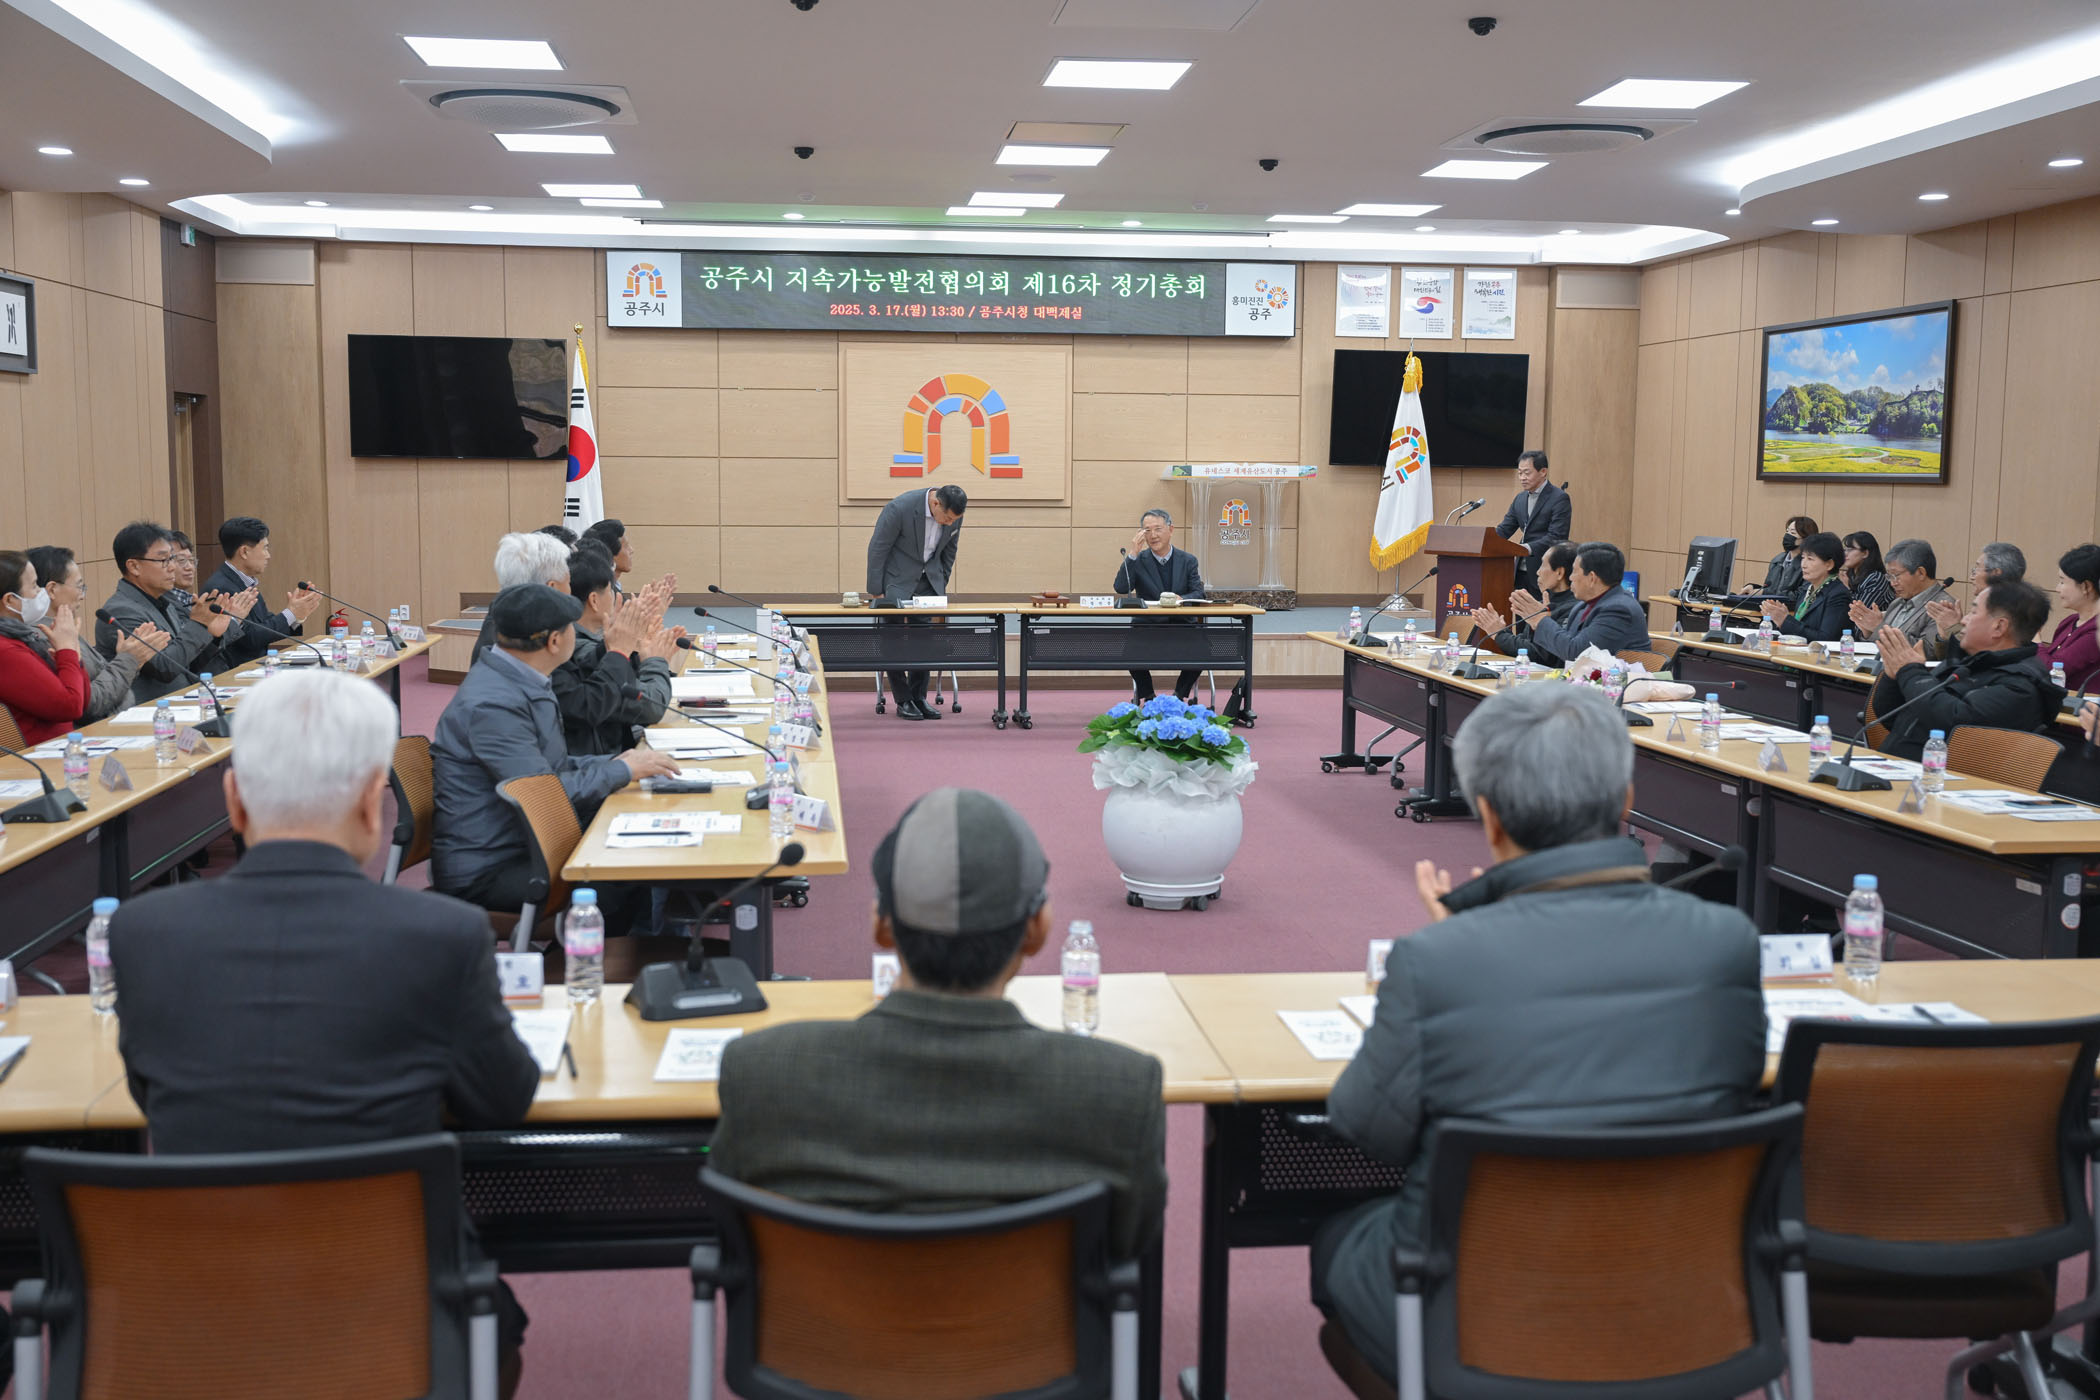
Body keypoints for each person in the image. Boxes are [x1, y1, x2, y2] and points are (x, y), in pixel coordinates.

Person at [1309, 682, 1764, 1384]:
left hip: (1485, 1318)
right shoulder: (1727, 942)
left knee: (1336, 1241)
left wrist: (1459, 953)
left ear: (1488, 818)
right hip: (1680, 1296)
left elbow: (1364, 1125)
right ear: (1626, 804)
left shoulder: (1437, 961)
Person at [106, 669, 540, 1398]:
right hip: (391, 1302)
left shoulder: (142, 932)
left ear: (234, 799)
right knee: (494, 1322)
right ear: (375, 803)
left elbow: (151, 1095)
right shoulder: (444, 933)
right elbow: (504, 1099)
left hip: (196, 1300)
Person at [710, 787, 1167, 1261]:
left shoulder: (763, 1077)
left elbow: (733, 1241)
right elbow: (1129, 1245)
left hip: (822, 1312)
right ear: (1039, 929)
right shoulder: (1117, 1093)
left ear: (881, 925)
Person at [431, 584, 678, 914]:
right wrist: (621, 770)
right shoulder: (491, 706)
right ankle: (621, 944)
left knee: (638, 836)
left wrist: (620, 761)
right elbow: (540, 794)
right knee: (623, 874)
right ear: (555, 642)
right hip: (492, 868)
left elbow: (550, 767)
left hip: (525, 839)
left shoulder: (519, 676)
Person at [1873, 580, 2062, 758]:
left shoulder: (2019, 686)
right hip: (1897, 763)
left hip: (1938, 776)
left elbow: (1954, 723)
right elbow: (1892, 716)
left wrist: (1910, 671)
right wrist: (1893, 677)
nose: (1963, 620)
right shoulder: (1968, 662)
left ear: (1999, 627)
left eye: (1973, 612)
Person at [95, 521, 249, 702]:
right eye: (163, 560)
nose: (172, 567)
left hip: (183, 703)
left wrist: (212, 636)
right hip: (150, 711)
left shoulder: (165, 601)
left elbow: (185, 664)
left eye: (172, 559)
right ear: (134, 566)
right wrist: (198, 624)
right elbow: (164, 668)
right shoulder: (121, 612)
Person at [556, 544, 679, 755]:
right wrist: (654, 661)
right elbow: (651, 705)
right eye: (611, 590)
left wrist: (636, 639)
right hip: (609, 760)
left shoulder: (593, 643)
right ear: (594, 600)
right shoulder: (580, 651)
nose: (615, 596)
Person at [24, 544, 162, 723]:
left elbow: (101, 686)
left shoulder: (61, 627)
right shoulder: (44, 637)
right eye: (79, 586)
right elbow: (89, 704)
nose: (82, 595)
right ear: (52, 590)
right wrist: (128, 660)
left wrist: (130, 659)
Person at [866, 484, 966, 721]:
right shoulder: (899, 508)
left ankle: (919, 697)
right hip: (896, 582)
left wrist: (940, 582)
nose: (950, 523)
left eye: (954, 520)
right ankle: (903, 700)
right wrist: (876, 590)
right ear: (935, 504)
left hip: (928, 584)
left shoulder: (954, 515)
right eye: (947, 518)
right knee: (893, 640)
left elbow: (949, 552)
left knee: (924, 640)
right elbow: (878, 547)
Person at [1112, 508, 1207, 702]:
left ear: (1171, 529)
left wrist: (1182, 599)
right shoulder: (1138, 560)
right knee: (1129, 650)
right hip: (1147, 627)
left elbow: (1199, 593)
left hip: (1182, 627)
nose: (1153, 535)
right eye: (1147, 530)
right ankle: (1149, 697)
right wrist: (1133, 553)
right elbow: (1121, 587)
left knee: (1203, 649)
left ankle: (1178, 697)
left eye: (1158, 529)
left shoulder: (1188, 560)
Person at [205, 515, 324, 666]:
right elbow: (250, 638)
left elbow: (265, 623)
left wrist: (297, 616)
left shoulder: (244, 581)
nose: (268, 556)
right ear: (244, 552)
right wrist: (291, 613)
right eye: (265, 548)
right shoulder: (223, 588)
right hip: (235, 671)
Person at [1505, 542, 1649, 660]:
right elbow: (1560, 651)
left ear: (1592, 578)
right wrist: (1538, 622)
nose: (1571, 577)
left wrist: (1540, 620)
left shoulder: (1619, 609)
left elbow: (1577, 653)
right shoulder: (1582, 606)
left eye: (1574, 571)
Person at [472, 531, 572, 663]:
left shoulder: (502, 624)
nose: (571, 590)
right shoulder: (533, 644)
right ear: (552, 588)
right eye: (568, 582)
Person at [1471, 540, 1577, 663]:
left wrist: (1499, 635)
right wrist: (1500, 631)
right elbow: (1526, 645)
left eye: (1543, 565)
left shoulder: (1574, 608)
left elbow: (1539, 655)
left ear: (1559, 573)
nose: (1538, 572)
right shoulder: (1544, 603)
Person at [1924, 540, 2027, 660]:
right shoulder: (1987, 603)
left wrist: (1954, 629)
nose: (1971, 577)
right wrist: (1944, 636)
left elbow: (1981, 660)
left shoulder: (2012, 611)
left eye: (1977, 569)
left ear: (1995, 573)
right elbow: (1950, 661)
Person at [1492, 450, 1571, 590]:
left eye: (1527, 473)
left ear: (1543, 472)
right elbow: (1504, 530)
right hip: (1519, 572)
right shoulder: (1520, 498)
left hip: (1544, 571)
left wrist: (1527, 548)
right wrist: (1485, 540)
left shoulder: (1559, 498)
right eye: (1520, 473)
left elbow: (1557, 536)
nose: (1522, 478)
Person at [1848, 538, 1949, 647]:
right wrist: (1868, 631)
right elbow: (1878, 646)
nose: (1892, 583)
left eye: (1896, 575)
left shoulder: (1943, 607)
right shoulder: (1897, 603)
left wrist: (1879, 627)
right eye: (1889, 576)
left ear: (1920, 573)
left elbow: (1928, 650)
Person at [1760, 531, 1853, 642]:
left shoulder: (1838, 595)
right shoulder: (1807, 590)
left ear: (1829, 564)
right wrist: (1779, 619)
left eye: (1810, 559)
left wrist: (1785, 621)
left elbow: (1826, 639)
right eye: (1803, 558)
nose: (1803, 565)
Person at [2039, 543, 2100, 693]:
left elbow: (2050, 671)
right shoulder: (2069, 622)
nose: (2057, 588)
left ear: (2086, 587)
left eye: (2062, 581)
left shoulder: (2095, 632)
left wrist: (2035, 639)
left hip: (2082, 707)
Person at [1755, 515, 1819, 597]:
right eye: (1787, 531)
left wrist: (1765, 593)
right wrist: (1753, 588)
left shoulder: (1809, 565)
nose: (1787, 536)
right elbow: (1770, 588)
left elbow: (1802, 596)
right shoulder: (1777, 560)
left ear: (1806, 539)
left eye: (1792, 533)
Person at [1840, 531, 1894, 612]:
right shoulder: (1849, 575)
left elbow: (1861, 612)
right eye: (1845, 550)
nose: (1845, 554)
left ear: (1865, 553)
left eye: (1850, 550)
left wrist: (1846, 589)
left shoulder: (1875, 578)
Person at [581, 518, 633, 594]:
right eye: (626, 546)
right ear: (609, 552)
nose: (631, 550)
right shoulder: (598, 592)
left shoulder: (614, 587)